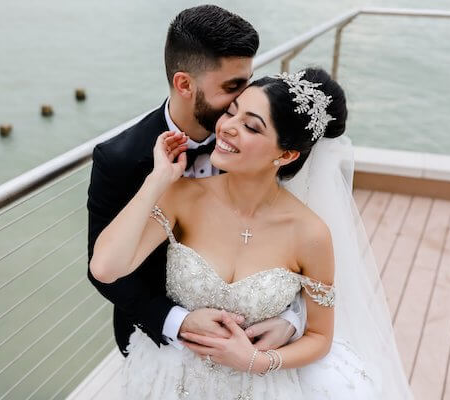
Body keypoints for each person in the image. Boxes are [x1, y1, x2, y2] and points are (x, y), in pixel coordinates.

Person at [90, 67, 414, 399]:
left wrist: (257, 360)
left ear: (285, 154)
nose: (227, 127)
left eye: (250, 126)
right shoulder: (182, 196)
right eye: (231, 112)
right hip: (168, 379)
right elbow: (105, 267)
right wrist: (156, 180)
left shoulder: (311, 234)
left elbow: (319, 336)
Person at [86, 4, 303, 362]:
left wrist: (291, 319)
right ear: (184, 84)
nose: (245, 99)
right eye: (233, 86)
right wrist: (178, 322)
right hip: (158, 343)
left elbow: (296, 243)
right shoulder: (120, 159)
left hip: (256, 346)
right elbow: (103, 269)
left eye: (247, 81)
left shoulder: (263, 143)